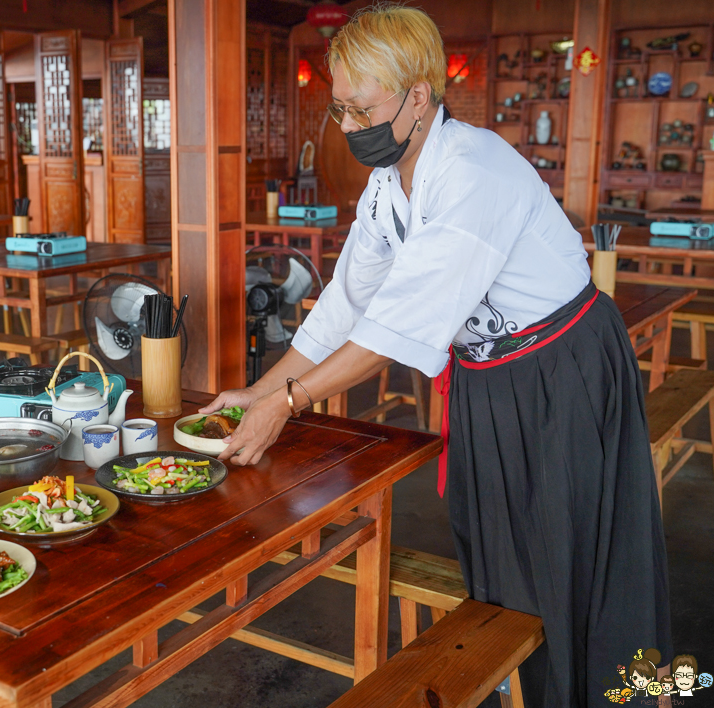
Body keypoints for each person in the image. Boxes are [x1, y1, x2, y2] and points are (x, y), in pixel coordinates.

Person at [200, 5, 671, 706]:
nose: (353, 127)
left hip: (560, 373)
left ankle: (609, 694)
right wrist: (261, 389)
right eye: (341, 112)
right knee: (502, 564)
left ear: (420, 95)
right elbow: (347, 304)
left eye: (365, 109)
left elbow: (394, 328)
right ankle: (531, 688)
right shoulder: (390, 185)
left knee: (575, 560)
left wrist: (289, 405)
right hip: (489, 382)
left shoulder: (472, 172)